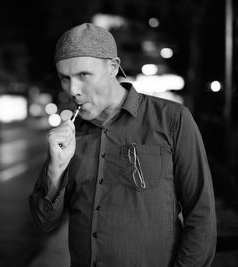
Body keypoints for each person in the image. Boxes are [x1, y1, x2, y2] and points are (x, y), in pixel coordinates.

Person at [29, 23, 216, 267]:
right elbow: (44, 222)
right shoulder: (71, 137)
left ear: (113, 67)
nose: (73, 90)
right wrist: (55, 171)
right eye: (65, 78)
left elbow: (201, 215)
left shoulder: (172, 119)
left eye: (83, 75)